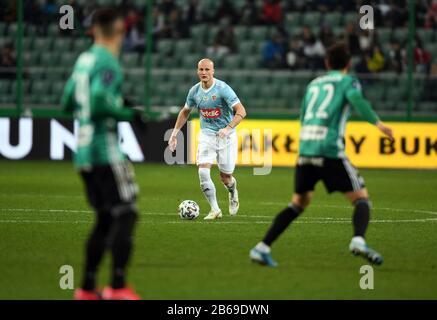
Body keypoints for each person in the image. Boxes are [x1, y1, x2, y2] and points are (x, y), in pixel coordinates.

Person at [250, 42, 394, 267]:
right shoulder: (349, 81)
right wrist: (379, 124)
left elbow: (303, 116)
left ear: (327, 63)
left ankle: (262, 248)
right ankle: (358, 240)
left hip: (306, 150)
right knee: (361, 199)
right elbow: (357, 101)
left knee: (298, 203)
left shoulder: (313, 84)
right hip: (329, 150)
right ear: (348, 64)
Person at [61, 7, 146, 300]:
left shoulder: (84, 60)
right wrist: (127, 112)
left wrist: (115, 99)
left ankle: (86, 289)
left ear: (93, 30)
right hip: (104, 150)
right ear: (120, 30)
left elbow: (66, 102)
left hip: (82, 152)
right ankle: (118, 288)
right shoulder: (108, 61)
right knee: (127, 211)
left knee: (105, 217)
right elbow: (98, 102)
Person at [168, 58, 247, 220]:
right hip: (207, 134)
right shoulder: (194, 91)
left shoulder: (222, 89)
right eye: (201, 70)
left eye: (207, 70)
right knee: (203, 170)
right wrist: (174, 133)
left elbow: (241, 111)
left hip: (227, 135)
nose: (204, 73)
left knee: (226, 177)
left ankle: (233, 192)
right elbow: (185, 111)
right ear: (197, 71)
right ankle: (215, 209)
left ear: (213, 71)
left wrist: (228, 128)